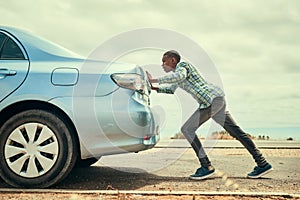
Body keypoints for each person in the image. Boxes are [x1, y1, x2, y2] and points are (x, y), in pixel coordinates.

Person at [146, 50, 273, 180]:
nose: (162, 65)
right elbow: (170, 89)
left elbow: (179, 77)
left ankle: (206, 166)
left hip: (211, 102)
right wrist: (152, 86)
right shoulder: (177, 75)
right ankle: (262, 163)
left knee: (187, 129)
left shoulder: (183, 67)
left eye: (164, 61)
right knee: (237, 132)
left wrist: (154, 79)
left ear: (173, 60)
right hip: (217, 100)